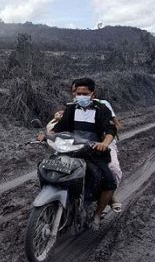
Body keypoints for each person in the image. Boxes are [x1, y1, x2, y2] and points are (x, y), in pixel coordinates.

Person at [39, 77, 117, 230]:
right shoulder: (71, 109)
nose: (80, 96)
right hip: (71, 149)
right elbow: (60, 127)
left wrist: (104, 144)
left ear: (93, 94)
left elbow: (110, 130)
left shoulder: (102, 110)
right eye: (78, 93)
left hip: (92, 152)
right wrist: (46, 135)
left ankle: (96, 215)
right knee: (47, 167)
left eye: (84, 93)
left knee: (109, 181)